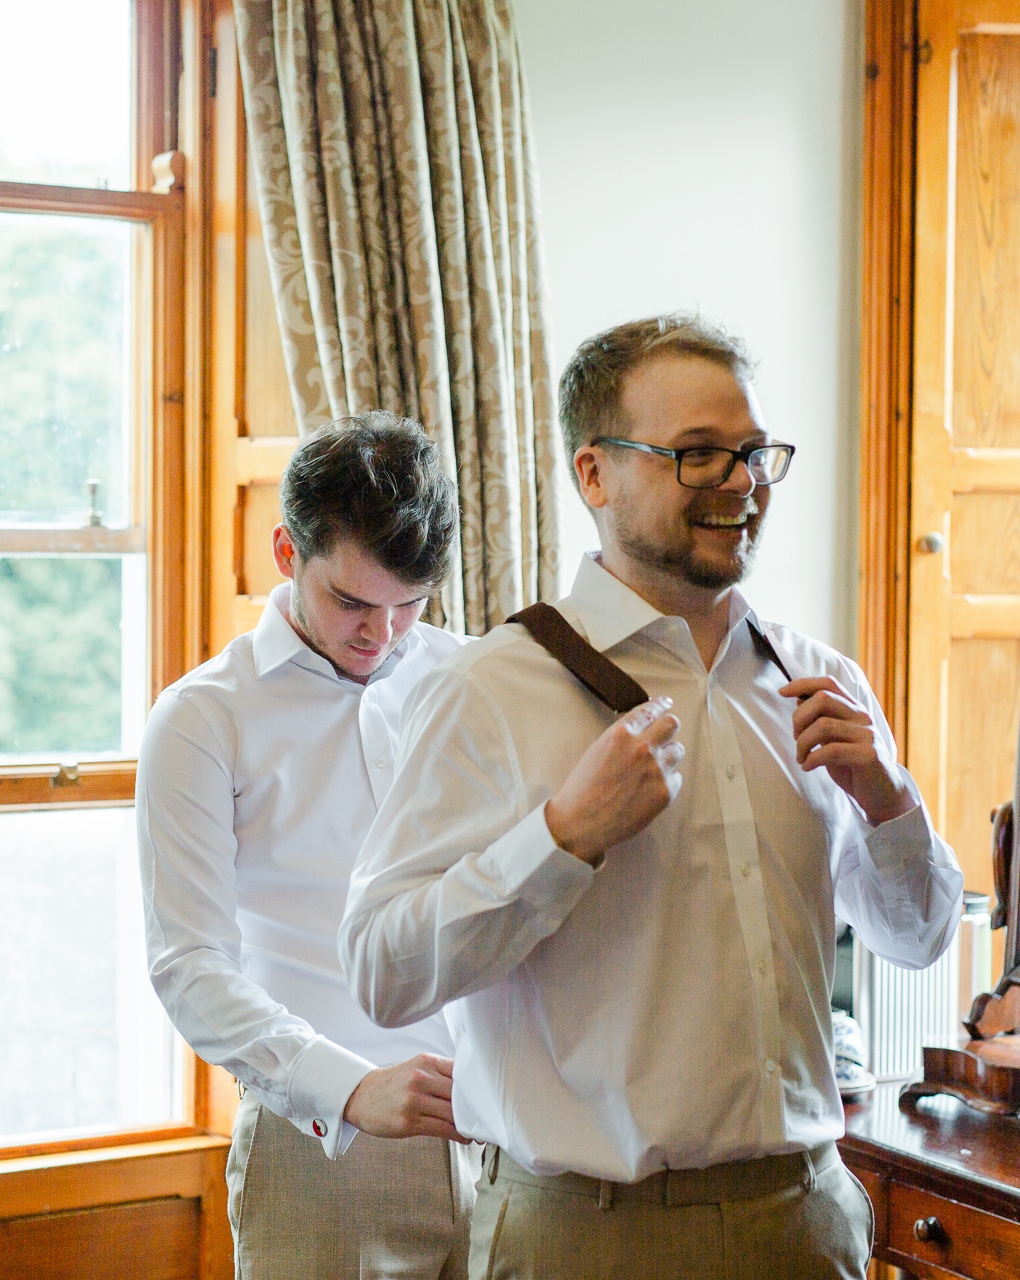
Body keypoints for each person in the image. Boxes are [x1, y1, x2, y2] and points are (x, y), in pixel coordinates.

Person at [339, 316, 965, 1279]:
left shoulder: (818, 680)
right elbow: (382, 972)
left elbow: (916, 939)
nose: (741, 483)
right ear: (595, 475)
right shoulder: (490, 691)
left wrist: (889, 801)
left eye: (755, 454)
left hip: (804, 1223)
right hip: (586, 1238)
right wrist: (562, 837)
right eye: (699, 454)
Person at [139, 412, 479, 1277]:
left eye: (411, 604)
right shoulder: (202, 719)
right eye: (353, 601)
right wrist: (351, 1088)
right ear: (287, 553)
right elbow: (189, 966)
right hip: (320, 1151)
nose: (383, 634)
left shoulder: (476, 681)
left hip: (509, 1136)